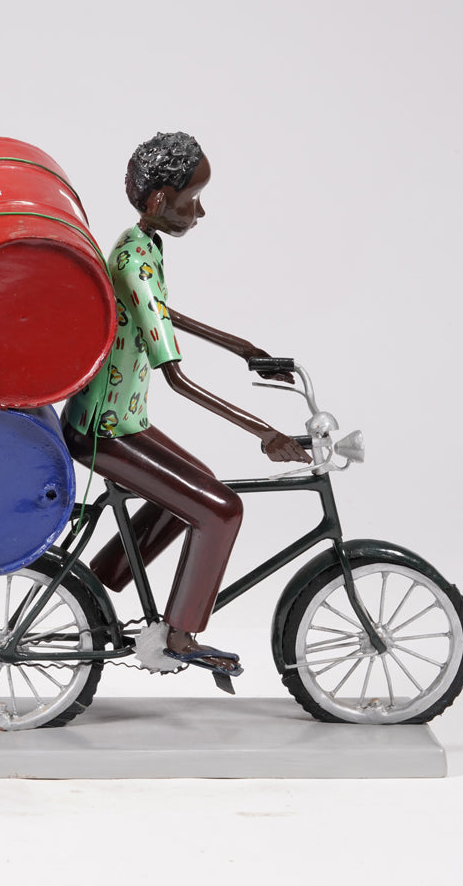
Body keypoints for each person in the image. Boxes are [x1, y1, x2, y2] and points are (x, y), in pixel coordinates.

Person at [62, 131, 309, 682]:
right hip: (106, 429)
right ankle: (177, 636)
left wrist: (241, 347)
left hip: (117, 419)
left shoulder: (140, 243)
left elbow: (160, 312)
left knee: (199, 486)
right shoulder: (135, 258)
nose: (199, 211)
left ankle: (102, 582)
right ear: (158, 201)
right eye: (191, 199)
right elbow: (177, 378)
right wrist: (263, 431)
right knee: (221, 510)